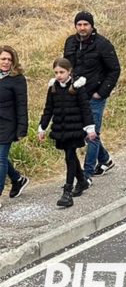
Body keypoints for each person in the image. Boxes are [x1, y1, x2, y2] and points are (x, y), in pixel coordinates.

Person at [63, 11, 120, 182]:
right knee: (83, 130)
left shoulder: (103, 44)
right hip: (76, 95)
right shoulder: (70, 42)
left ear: (92, 26)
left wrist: (101, 93)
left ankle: (86, 175)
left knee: (92, 134)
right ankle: (105, 160)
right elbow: (67, 67)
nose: (82, 28)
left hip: (95, 96)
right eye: (79, 24)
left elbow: (114, 69)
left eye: (85, 24)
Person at [37, 58, 96, 209]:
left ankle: (67, 192)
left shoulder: (77, 87)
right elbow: (48, 109)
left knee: (69, 156)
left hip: (75, 128)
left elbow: (85, 109)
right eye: (56, 72)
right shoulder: (53, 88)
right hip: (61, 128)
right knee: (71, 156)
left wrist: (90, 128)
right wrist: (42, 127)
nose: (58, 75)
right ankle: (82, 181)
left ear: (69, 71)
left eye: (62, 72)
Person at [0, 46, 29, 203]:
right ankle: (17, 179)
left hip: (8, 124)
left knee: (0, 159)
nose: (6, 62)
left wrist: (22, 129)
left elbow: (21, 105)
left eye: (9, 60)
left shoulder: (17, 79)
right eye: (3, 59)